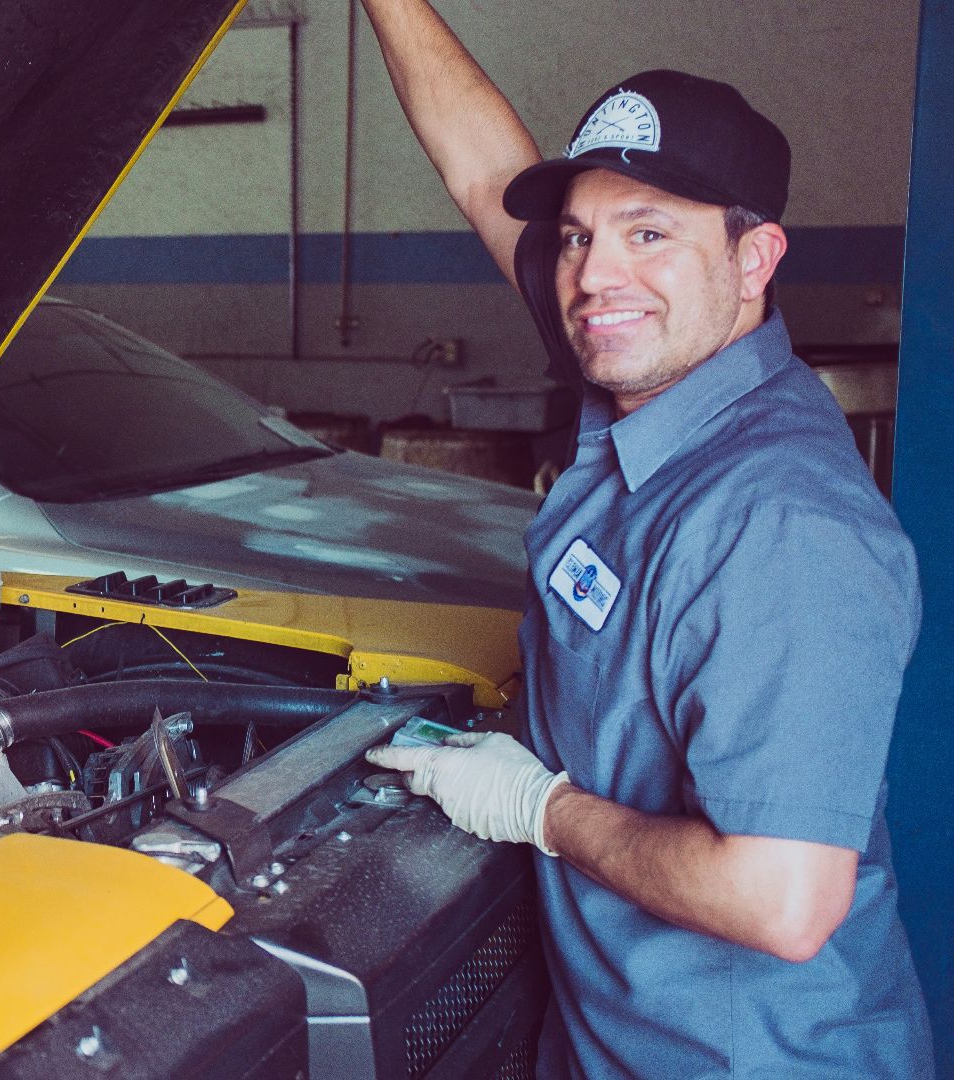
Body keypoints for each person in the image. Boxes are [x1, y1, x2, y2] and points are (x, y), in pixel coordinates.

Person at [356, 3, 934, 1077]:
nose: (592, 275)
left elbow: (784, 900)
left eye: (651, 232)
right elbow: (486, 175)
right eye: (579, 234)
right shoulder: (654, 382)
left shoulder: (783, 526)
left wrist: (541, 807)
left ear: (755, 257)